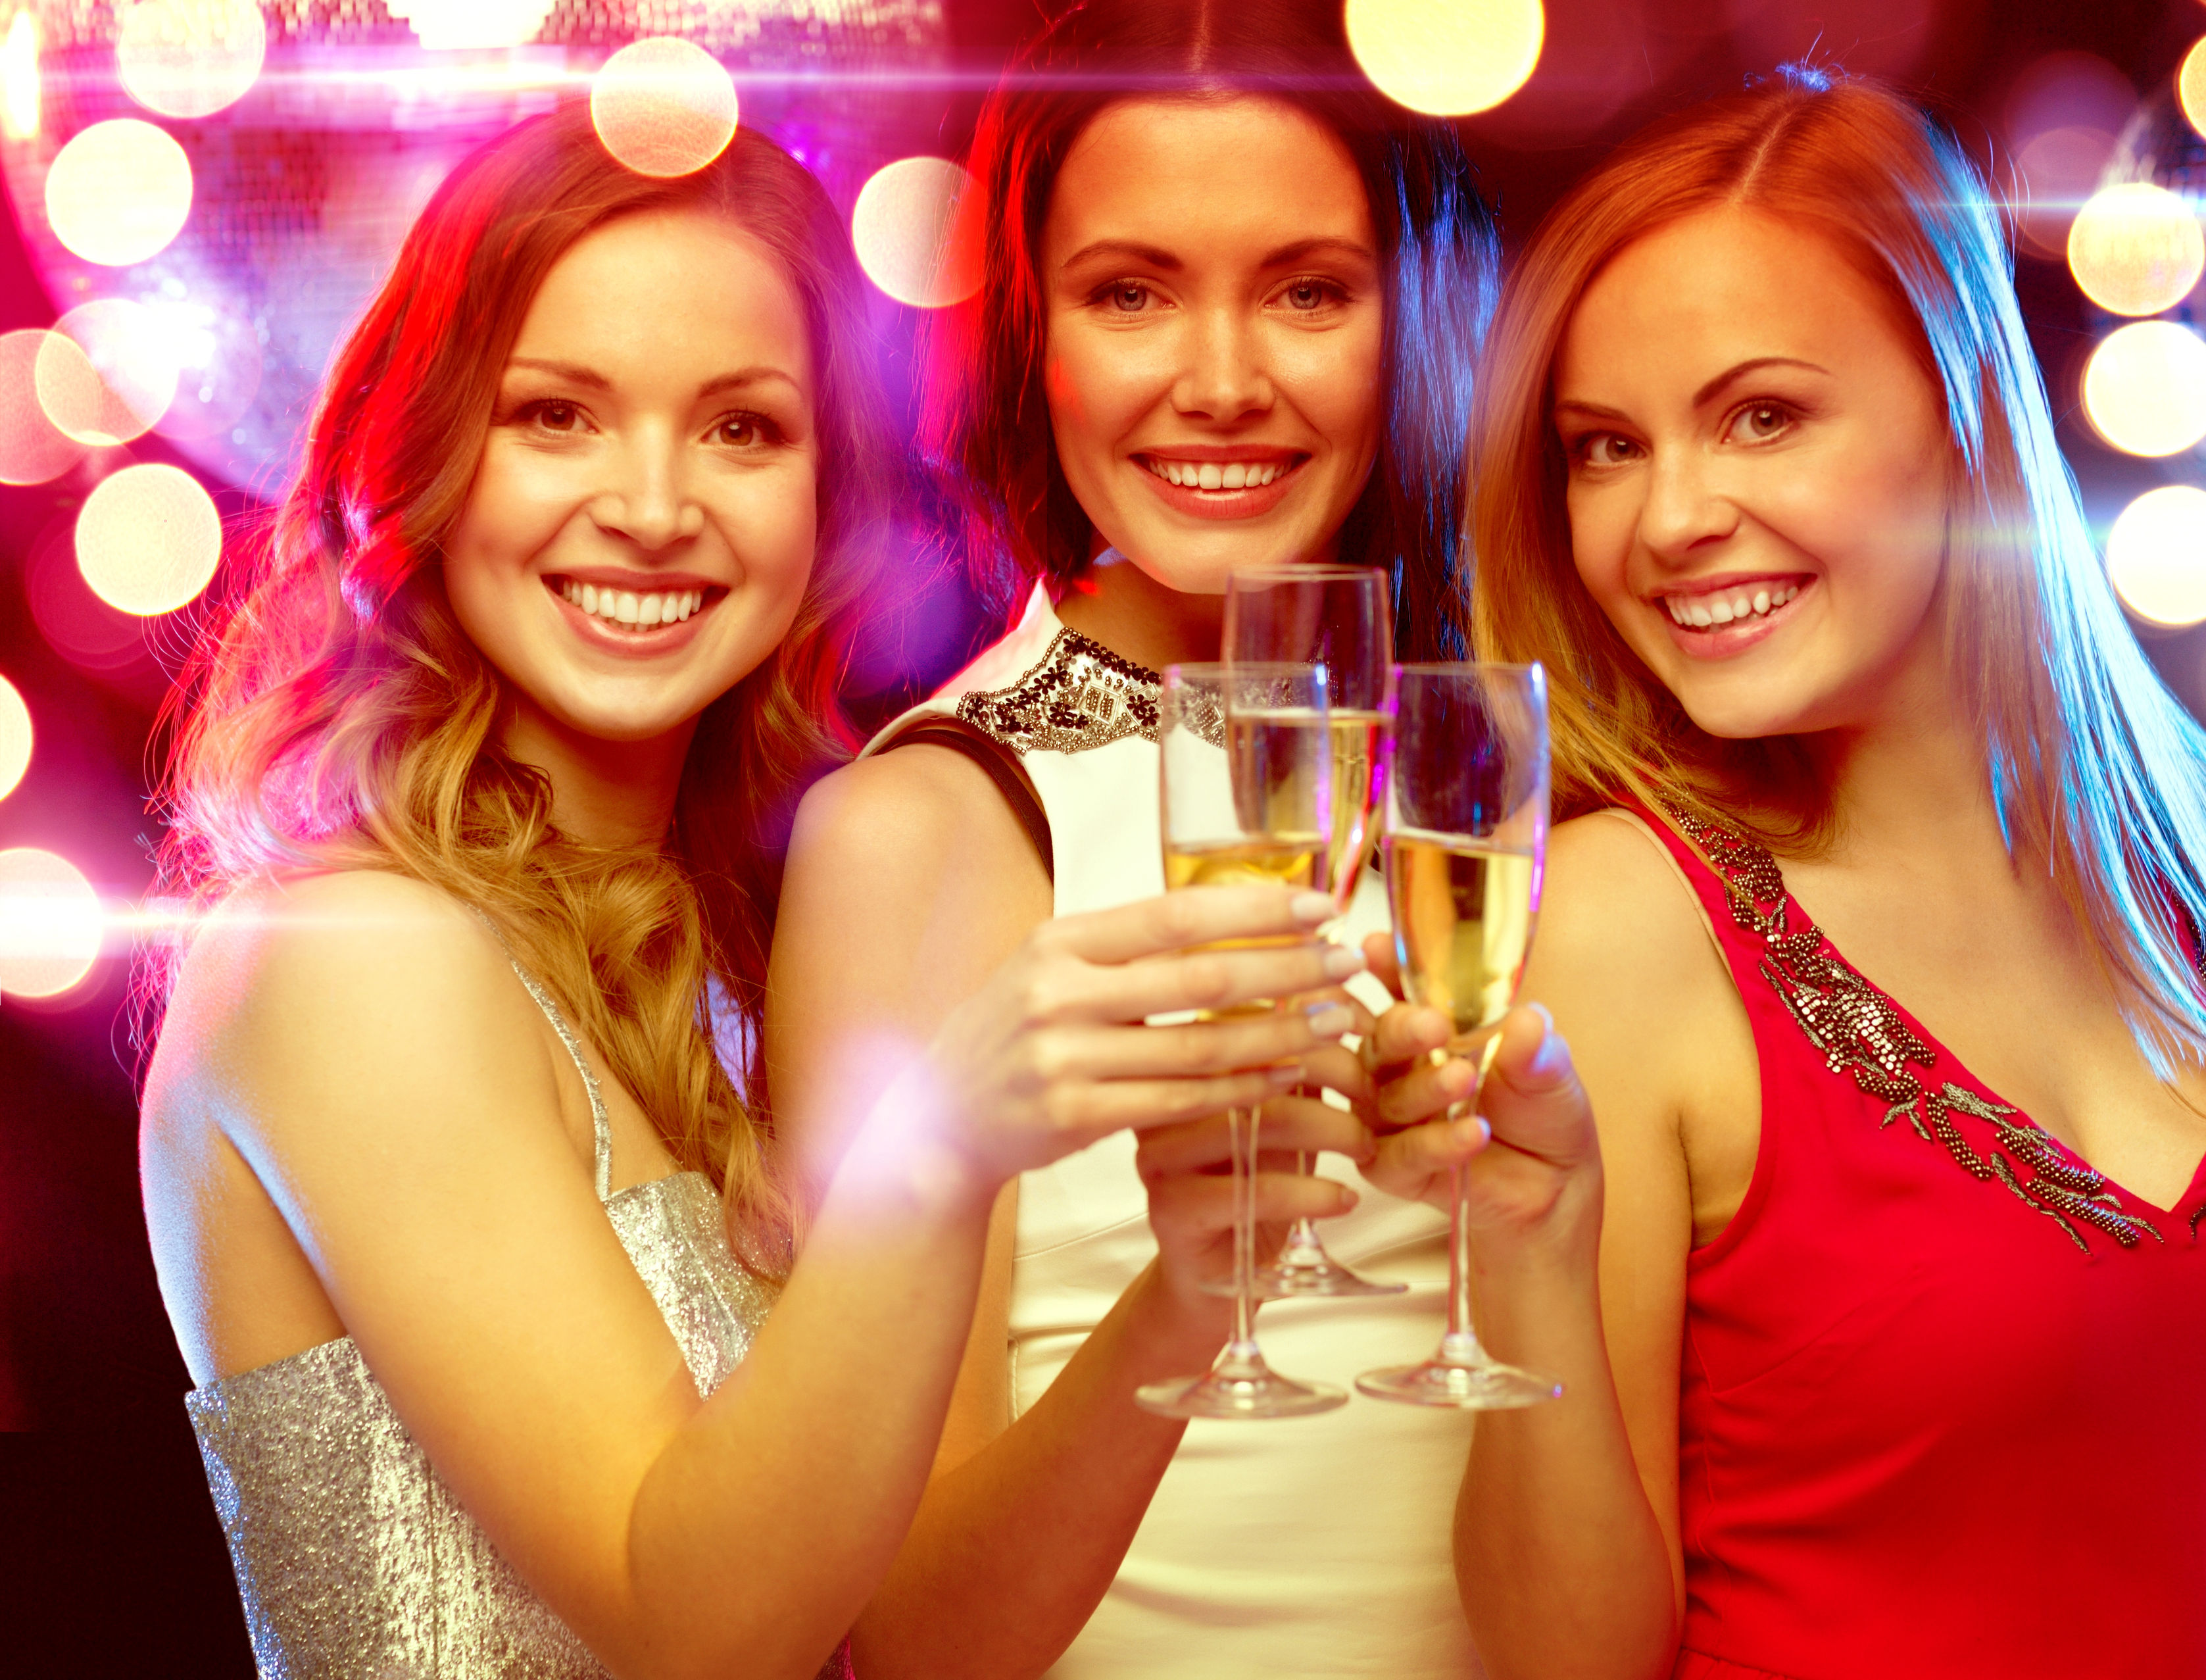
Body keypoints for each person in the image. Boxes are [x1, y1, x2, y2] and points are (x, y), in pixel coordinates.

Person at [138, 107, 1358, 1679]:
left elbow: (902, 1637)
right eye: (556, 415)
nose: (653, 504)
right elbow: (694, 1619)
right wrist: (941, 1140)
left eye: (740, 429)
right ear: (427, 454)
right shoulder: (347, 955)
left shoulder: (713, 951)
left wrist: (1191, 1297)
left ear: (822, 504)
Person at [1364, 71, 2206, 1680]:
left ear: (1965, 399)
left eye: (1759, 414)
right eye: (1604, 448)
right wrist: (1529, 1265)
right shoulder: (1622, 922)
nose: (1672, 518)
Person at [763, 1, 1499, 1673]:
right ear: (1033, 333)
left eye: (1309, 290)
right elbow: (904, 1633)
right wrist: (1199, 1286)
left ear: (1419, 316)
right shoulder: (931, 825)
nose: (1220, 382)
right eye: (1130, 292)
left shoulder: (1506, 777)